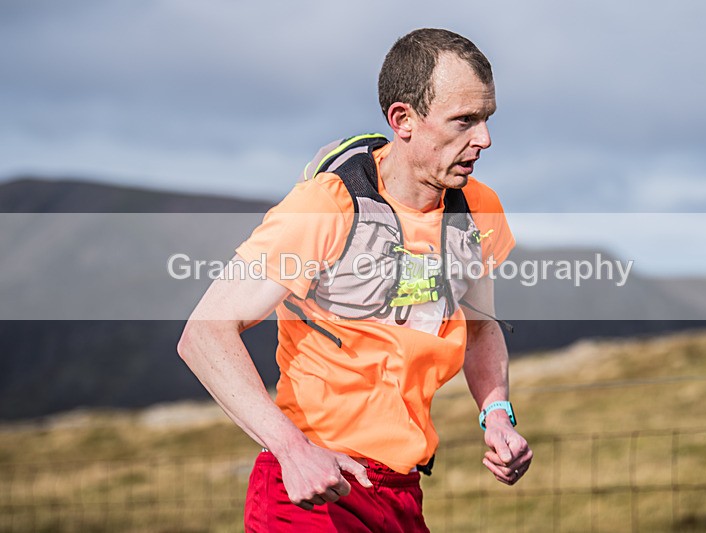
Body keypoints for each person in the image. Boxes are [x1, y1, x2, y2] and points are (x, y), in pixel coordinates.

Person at [178, 28, 532, 532]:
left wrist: (496, 414)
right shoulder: (328, 204)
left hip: (402, 494)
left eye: (487, 119)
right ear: (403, 120)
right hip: (309, 491)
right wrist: (292, 451)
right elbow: (204, 333)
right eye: (464, 121)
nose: (484, 139)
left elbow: (479, 328)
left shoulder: (479, 209)